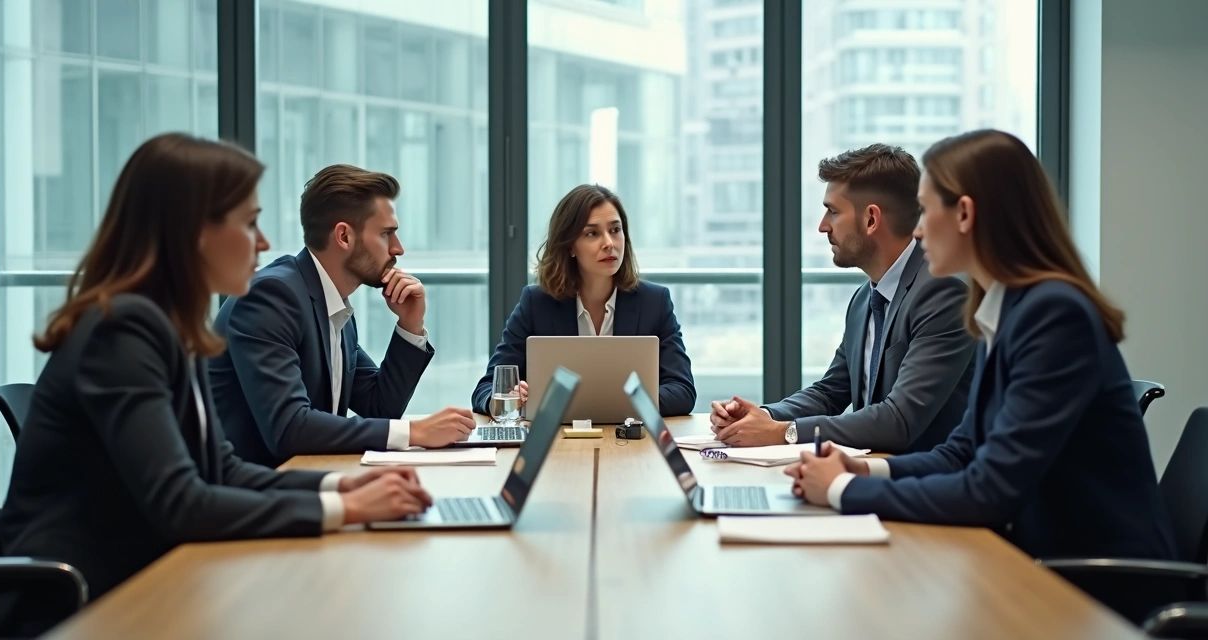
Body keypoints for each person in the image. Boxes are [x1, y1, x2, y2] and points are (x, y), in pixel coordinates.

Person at [0, 134, 434, 609]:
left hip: (151, 577)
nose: (264, 243)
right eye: (250, 224)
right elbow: (182, 502)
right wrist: (344, 508)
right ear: (193, 232)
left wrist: (339, 484)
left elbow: (221, 469)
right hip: (83, 600)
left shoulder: (168, 326)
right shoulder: (121, 331)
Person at [786, 129, 1176, 563]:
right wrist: (865, 468)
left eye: (926, 211)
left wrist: (842, 489)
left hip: (1097, 585)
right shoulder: (1008, 310)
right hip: (1038, 563)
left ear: (965, 215)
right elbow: (963, 451)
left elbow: (990, 489)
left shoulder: (1053, 316)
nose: (915, 230)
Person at [710, 144, 975, 453]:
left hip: (923, 488)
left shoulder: (942, 294)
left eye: (833, 211)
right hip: (871, 474)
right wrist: (762, 417)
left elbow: (899, 419)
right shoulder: (865, 298)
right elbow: (830, 393)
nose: (823, 226)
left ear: (871, 220)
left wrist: (784, 433)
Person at [209, 164, 474, 468]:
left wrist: (410, 325)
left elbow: (378, 408)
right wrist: (415, 432)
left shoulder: (330, 302)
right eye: (386, 234)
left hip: (305, 482)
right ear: (344, 236)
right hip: (254, 500)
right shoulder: (272, 297)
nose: (398, 249)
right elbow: (290, 428)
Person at [471, 184, 696, 417]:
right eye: (593, 233)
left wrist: (618, 403)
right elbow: (486, 390)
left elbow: (683, 391)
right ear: (570, 246)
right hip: (556, 444)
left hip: (633, 443)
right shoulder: (536, 303)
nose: (609, 243)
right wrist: (509, 399)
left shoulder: (654, 302)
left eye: (615, 230)